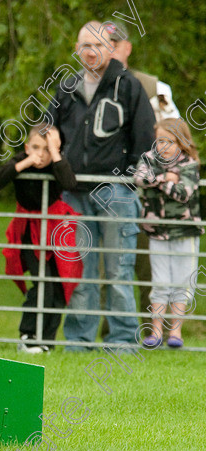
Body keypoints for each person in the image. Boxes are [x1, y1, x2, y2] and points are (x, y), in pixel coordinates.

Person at [45, 21, 155, 351]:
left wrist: (137, 176)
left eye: (97, 46)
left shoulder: (128, 86)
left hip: (116, 192)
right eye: (84, 46)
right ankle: (79, 341)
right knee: (80, 268)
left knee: (119, 270)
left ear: (110, 48)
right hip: (74, 192)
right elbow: (49, 130)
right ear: (77, 50)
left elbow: (145, 134)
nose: (91, 52)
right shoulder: (67, 87)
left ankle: (122, 341)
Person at [107, 21, 181, 319]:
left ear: (127, 48)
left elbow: (175, 135)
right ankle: (109, 332)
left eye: (114, 44)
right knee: (109, 261)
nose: (109, 51)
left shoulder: (154, 87)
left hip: (147, 190)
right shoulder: (87, 85)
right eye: (104, 44)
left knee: (149, 264)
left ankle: (151, 330)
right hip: (106, 189)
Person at [0, 124, 83, 353]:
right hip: (29, 230)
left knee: (59, 285)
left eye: (48, 149)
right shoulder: (22, 160)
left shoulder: (57, 164)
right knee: (42, 283)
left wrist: (55, 153)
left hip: (55, 229)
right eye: (37, 148)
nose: (42, 155)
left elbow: (70, 183)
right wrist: (25, 163)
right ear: (27, 147)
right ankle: (28, 335)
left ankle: (46, 341)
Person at [134, 118, 203, 349]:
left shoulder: (190, 164)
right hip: (157, 231)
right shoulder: (148, 159)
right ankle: (155, 331)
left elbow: (184, 193)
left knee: (183, 281)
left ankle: (176, 330)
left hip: (185, 231)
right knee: (161, 280)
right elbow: (139, 178)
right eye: (159, 140)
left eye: (169, 141)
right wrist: (165, 178)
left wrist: (157, 181)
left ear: (181, 142)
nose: (163, 146)